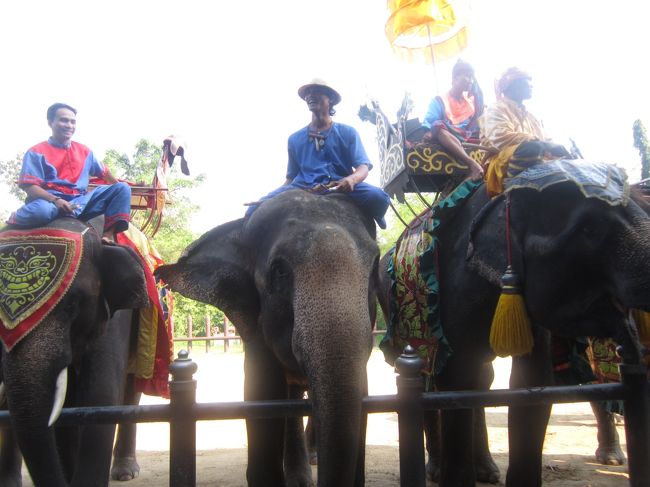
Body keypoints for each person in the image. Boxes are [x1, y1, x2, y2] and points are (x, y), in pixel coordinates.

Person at [245, 79, 390, 229]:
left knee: (379, 197)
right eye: (307, 93)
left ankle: (376, 214)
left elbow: (363, 167)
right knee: (253, 209)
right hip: (302, 186)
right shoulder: (294, 139)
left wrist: (352, 179)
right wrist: (273, 195)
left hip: (338, 184)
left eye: (316, 92)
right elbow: (290, 177)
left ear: (331, 99)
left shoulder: (348, 132)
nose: (310, 96)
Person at [7, 103, 131, 241]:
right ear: (50, 122)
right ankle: (15, 219)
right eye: (64, 120)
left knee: (123, 188)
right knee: (42, 212)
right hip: (48, 202)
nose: (69, 125)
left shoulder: (85, 151)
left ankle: (107, 235)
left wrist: (118, 191)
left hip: (80, 202)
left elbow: (104, 173)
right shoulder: (35, 152)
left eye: (73, 122)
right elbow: (29, 187)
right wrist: (56, 200)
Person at [480, 67, 570, 196]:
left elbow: (547, 140)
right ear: (512, 86)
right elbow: (500, 137)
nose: (531, 86)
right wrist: (543, 144)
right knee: (531, 148)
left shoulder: (532, 117)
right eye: (525, 82)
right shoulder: (495, 108)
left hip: (538, 160)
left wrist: (557, 150)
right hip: (502, 162)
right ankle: (515, 193)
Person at [421, 59, 485, 181]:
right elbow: (430, 122)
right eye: (467, 76)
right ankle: (472, 164)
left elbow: (479, 125)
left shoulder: (472, 103)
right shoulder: (439, 100)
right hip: (449, 138)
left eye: (471, 77)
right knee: (437, 126)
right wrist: (429, 131)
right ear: (455, 78)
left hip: (470, 138)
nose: (470, 81)